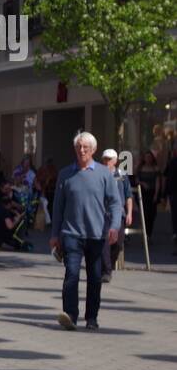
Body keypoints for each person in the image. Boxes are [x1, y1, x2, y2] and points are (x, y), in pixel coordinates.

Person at [50, 132, 120, 331]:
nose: (82, 150)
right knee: (71, 274)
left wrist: (114, 226)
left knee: (94, 277)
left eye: (85, 147)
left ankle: (92, 318)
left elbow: (115, 203)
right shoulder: (65, 174)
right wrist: (55, 234)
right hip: (71, 234)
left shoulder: (104, 174)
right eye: (79, 147)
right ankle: (70, 315)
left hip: (96, 235)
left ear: (93, 150)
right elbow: (58, 207)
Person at [100, 148, 133, 283]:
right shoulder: (99, 174)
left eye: (109, 159)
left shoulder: (122, 175)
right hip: (103, 214)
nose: (106, 162)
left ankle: (110, 265)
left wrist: (129, 213)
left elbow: (128, 196)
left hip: (119, 214)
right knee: (105, 243)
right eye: (104, 159)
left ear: (115, 161)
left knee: (118, 243)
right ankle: (106, 271)